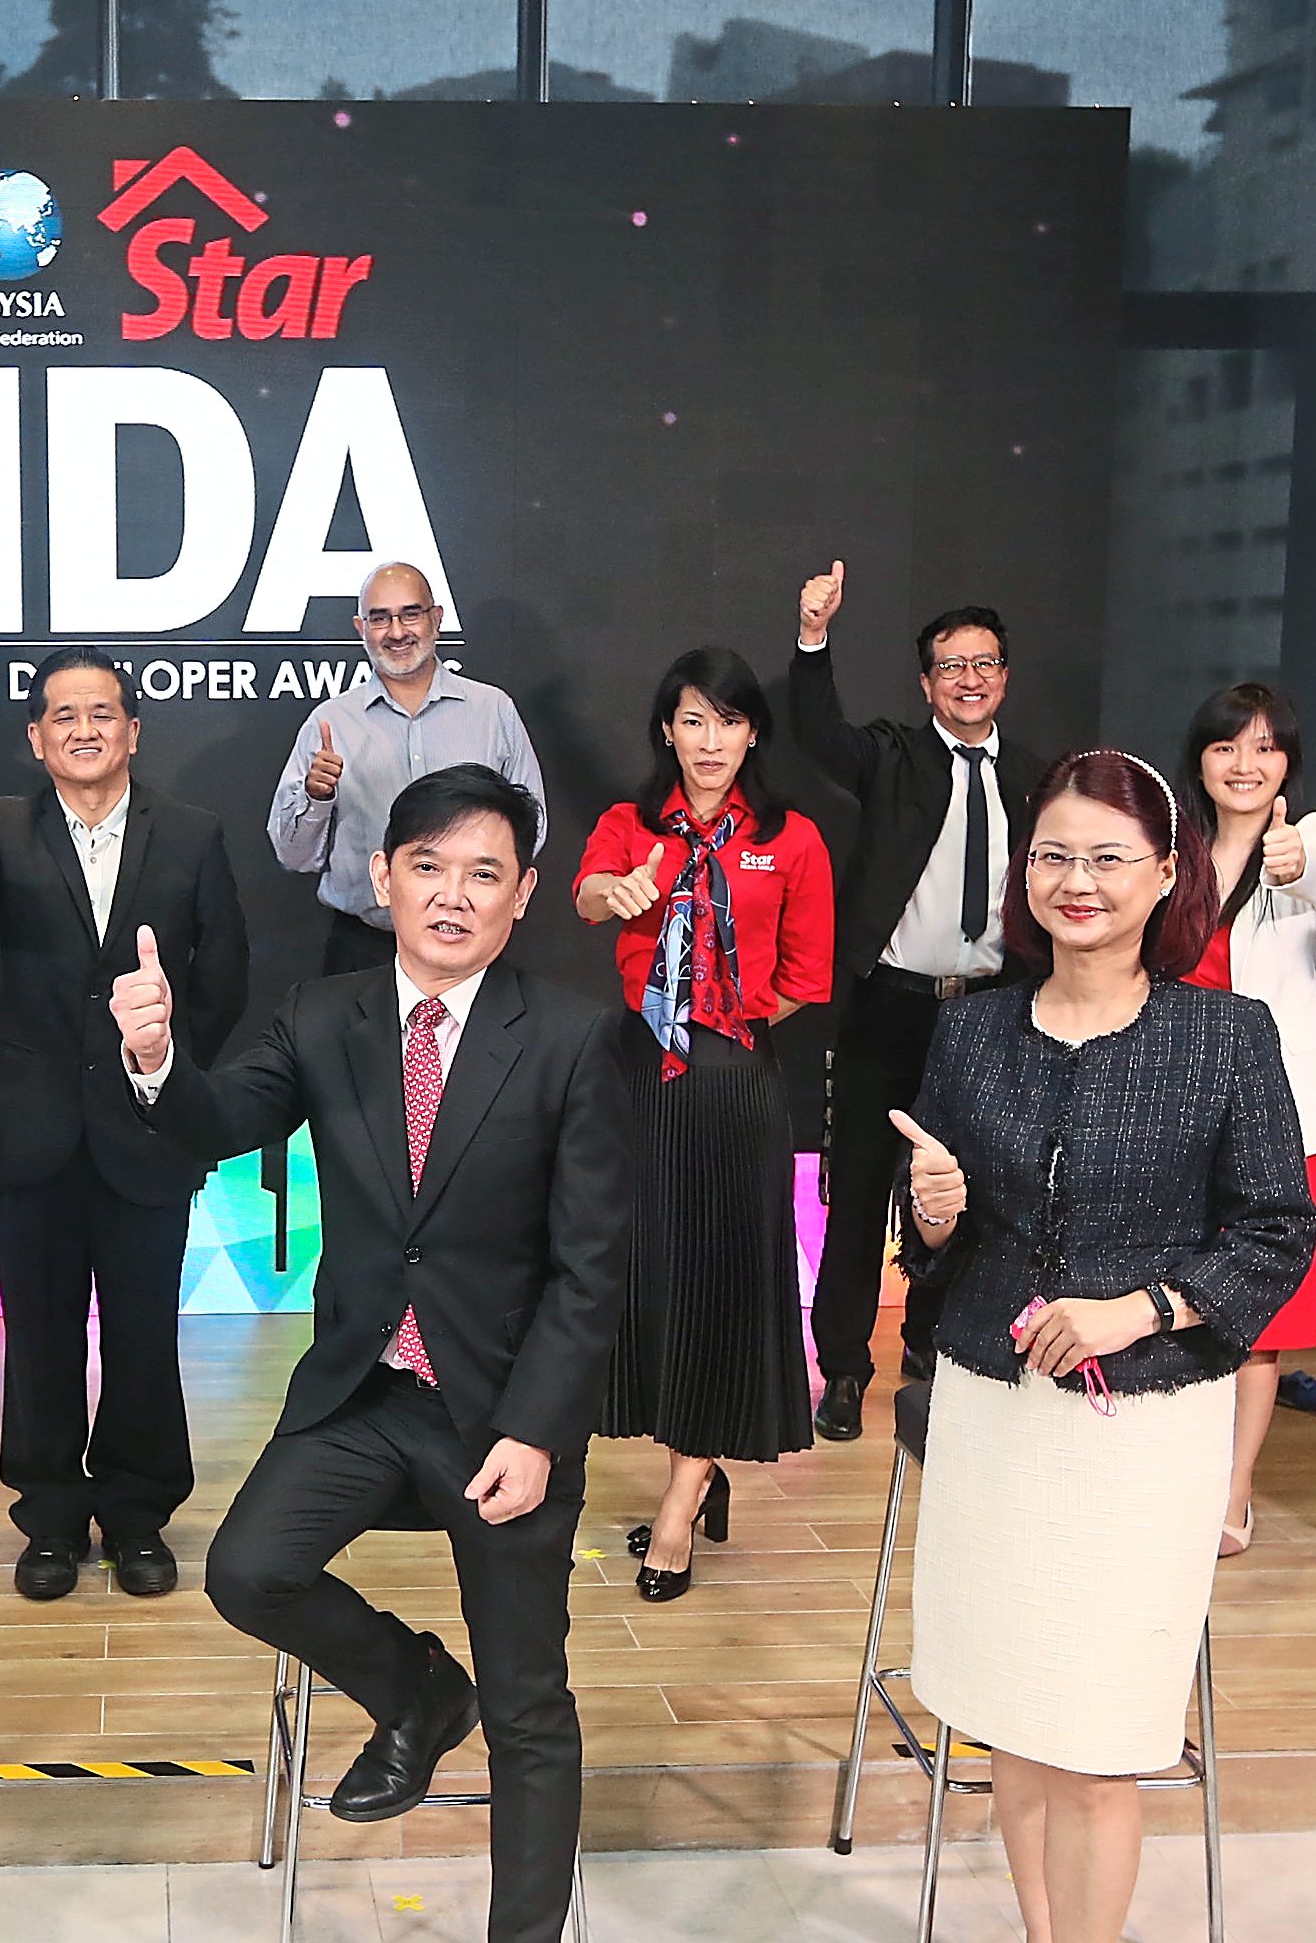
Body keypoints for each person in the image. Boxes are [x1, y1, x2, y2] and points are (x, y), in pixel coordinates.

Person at [113, 762, 633, 1943]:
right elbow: (214, 1127)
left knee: (532, 1710)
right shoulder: (325, 1013)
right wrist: (156, 1060)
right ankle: (414, 1688)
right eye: (429, 868)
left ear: (523, 896)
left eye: (484, 874)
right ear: (382, 878)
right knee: (247, 1568)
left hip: (504, 1414)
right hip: (363, 1388)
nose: (453, 896)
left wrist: (536, 1429)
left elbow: (594, 1268)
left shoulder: (575, 1037)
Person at [892, 751, 1314, 1943]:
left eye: (1107, 857)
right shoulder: (973, 1031)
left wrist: (1146, 1306)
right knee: (1013, 1716)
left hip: (1142, 1428)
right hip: (995, 1413)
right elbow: (934, 1238)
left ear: (1165, 876)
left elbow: (1275, 1231)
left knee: (1096, 1740)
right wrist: (930, 1214)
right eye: (1053, 856)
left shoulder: (1225, 1037)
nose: (1076, 882)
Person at [0, 644, 249, 1600]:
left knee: (143, 1336)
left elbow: (225, 972)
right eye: (62, 715)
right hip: (28, 1133)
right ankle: (51, 1518)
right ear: (35, 738)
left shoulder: (190, 833)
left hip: (147, 1130)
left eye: (101, 712)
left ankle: (139, 1515)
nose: (82, 729)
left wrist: (166, 1070)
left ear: (133, 731)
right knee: (40, 1337)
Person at [570, 648, 835, 1601]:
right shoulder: (630, 825)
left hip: (734, 1080)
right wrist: (618, 893)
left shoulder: (791, 838)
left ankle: (681, 1505)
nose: (709, 740)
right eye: (691, 720)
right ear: (666, 732)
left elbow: (806, 976)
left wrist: (721, 1019)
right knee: (647, 1278)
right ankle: (691, 1463)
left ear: (752, 732)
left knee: (723, 1288)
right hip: (635, 1077)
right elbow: (586, 895)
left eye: (727, 721)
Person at [790, 563, 1052, 1442]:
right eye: (951, 666)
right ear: (925, 682)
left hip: (990, 1016)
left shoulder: (1036, 777)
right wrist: (813, 638)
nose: (968, 679)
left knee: (965, 1197)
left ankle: (931, 1345)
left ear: (1004, 676)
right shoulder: (891, 755)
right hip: (889, 1009)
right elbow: (818, 734)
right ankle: (842, 1369)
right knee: (860, 1193)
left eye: (983, 663)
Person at [1177, 684, 1316, 1555]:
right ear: (1200, 761)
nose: (1244, 765)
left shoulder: (1311, 835)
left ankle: (1234, 1489)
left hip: (1280, 1113)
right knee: (1175, 1294)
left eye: (1264, 748)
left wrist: (1289, 860)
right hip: (1177, 1108)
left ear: (1287, 762)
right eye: (1226, 746)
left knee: (1262, 1318)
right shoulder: (1171, 850)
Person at [267, 561, 548, 976]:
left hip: (468, 940)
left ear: (436, 619)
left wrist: (474, 885)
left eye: (410, 614)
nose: (397, 632)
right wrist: (317, 796)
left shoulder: (492, 711)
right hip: (363, 948)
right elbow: (293, 856)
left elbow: (530, 830)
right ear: (361, 629)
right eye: (380, 618)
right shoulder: (330, 722)